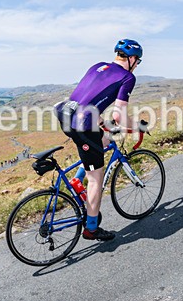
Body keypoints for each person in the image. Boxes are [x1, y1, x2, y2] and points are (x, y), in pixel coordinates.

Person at [54, 39, 143, 241]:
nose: (137, 65)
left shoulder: (98, 66)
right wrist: (137, 126)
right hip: (82, 126)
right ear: (131, 58)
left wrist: (102, 122)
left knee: (103, 140)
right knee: (95, 179)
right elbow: (119, 116)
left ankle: (77, 180)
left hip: (66, 115)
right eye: (137, 61)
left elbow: (85, 99)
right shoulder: (127, 77)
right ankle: (91, 229)